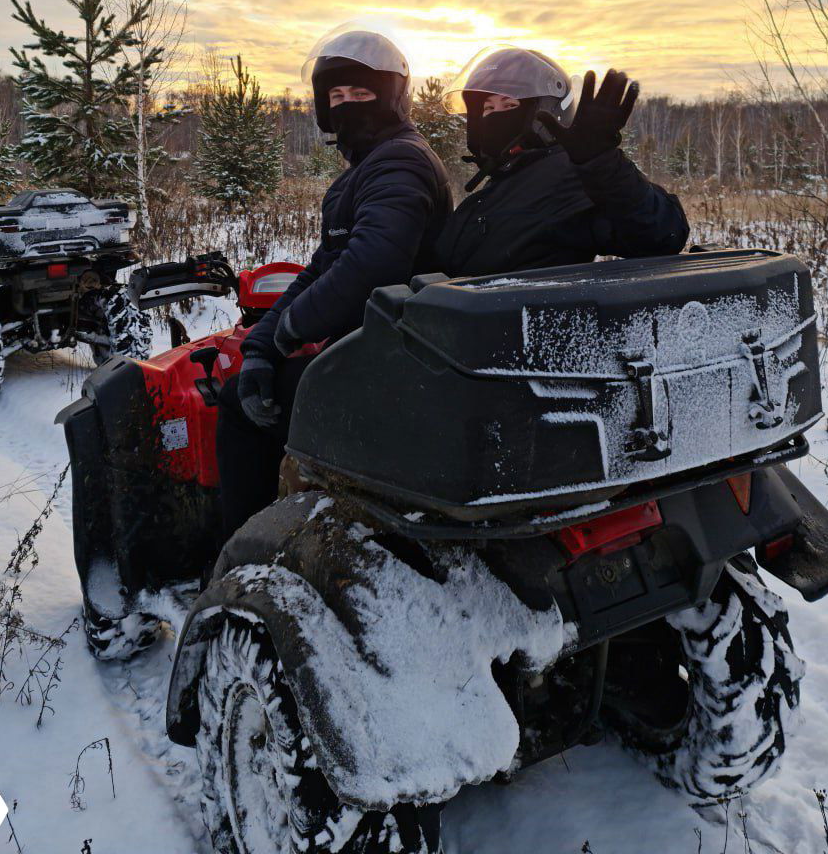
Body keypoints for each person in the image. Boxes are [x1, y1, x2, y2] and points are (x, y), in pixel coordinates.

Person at [217, 27, 452, 539]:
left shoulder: (400, 160)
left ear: (390, 97)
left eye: (361, 94)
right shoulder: (369, 167)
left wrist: (289, 333)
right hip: (373, 345)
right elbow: (325, 265)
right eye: (336, 96)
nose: (347, 106)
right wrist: (263, 343)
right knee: (252, 382)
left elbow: (374, 261)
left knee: (237, 407)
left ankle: (240, 553)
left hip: (399, 359)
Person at [434, 47, 688, 277]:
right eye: (487, 109)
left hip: (520, 323)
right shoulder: (504, 180)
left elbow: (664, 234)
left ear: (543, 114)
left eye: (508, 104)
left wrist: (602, 163)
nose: (494, 117)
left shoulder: (568, 177)